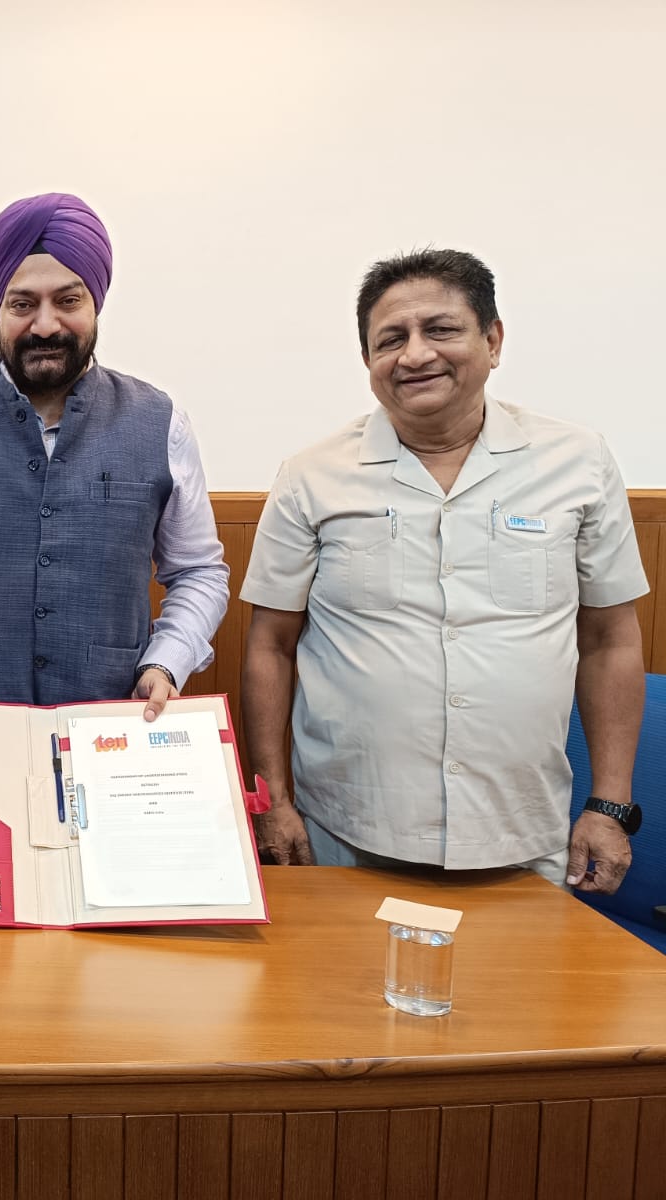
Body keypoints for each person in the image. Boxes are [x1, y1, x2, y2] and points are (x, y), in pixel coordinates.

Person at [241, 248, 647, 892]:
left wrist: (608, 805)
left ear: (492, 340)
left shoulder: (579, 462)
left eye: (441, 330)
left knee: (523, 996)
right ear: (369, 361)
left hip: (520, 832)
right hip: (346, 832)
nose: (415, 354)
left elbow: (610, 640)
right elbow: (270, 644)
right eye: (390, 339)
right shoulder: (312, 476)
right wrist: (275, 803)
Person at [0, 192, 229, 719]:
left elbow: (198, 571)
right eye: (23, 304)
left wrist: (165, 664)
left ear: (95, 303)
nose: (46, 325)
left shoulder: (160, 421)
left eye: (68, 301)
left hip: (111, 728)